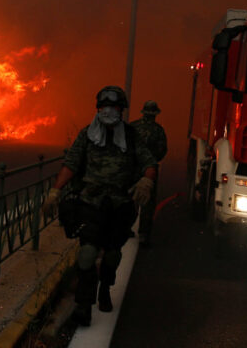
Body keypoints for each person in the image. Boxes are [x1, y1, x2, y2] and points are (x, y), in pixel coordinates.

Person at [42, 85, 157, 326]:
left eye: (113, 106)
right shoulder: (87, 134)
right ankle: (84, 306)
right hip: (90, 203)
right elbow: (71, 164)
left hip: (120, 205)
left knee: (112, 255)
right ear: (97, 108)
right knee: (87, 254)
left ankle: (105, 287)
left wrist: (147, 180)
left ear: (121, 110)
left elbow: (149, 163)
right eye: (104, 106)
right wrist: (55, 191)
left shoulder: (131, 136)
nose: (108, 111)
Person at [130, 100, 167, 246]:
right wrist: (151, 160)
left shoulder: (132, 127)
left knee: (129, 198)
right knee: (148, 202)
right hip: (149, 170)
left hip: (132, 168)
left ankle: (126, 227)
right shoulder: (158, 130)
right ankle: (144, 234)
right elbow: (162, 151)